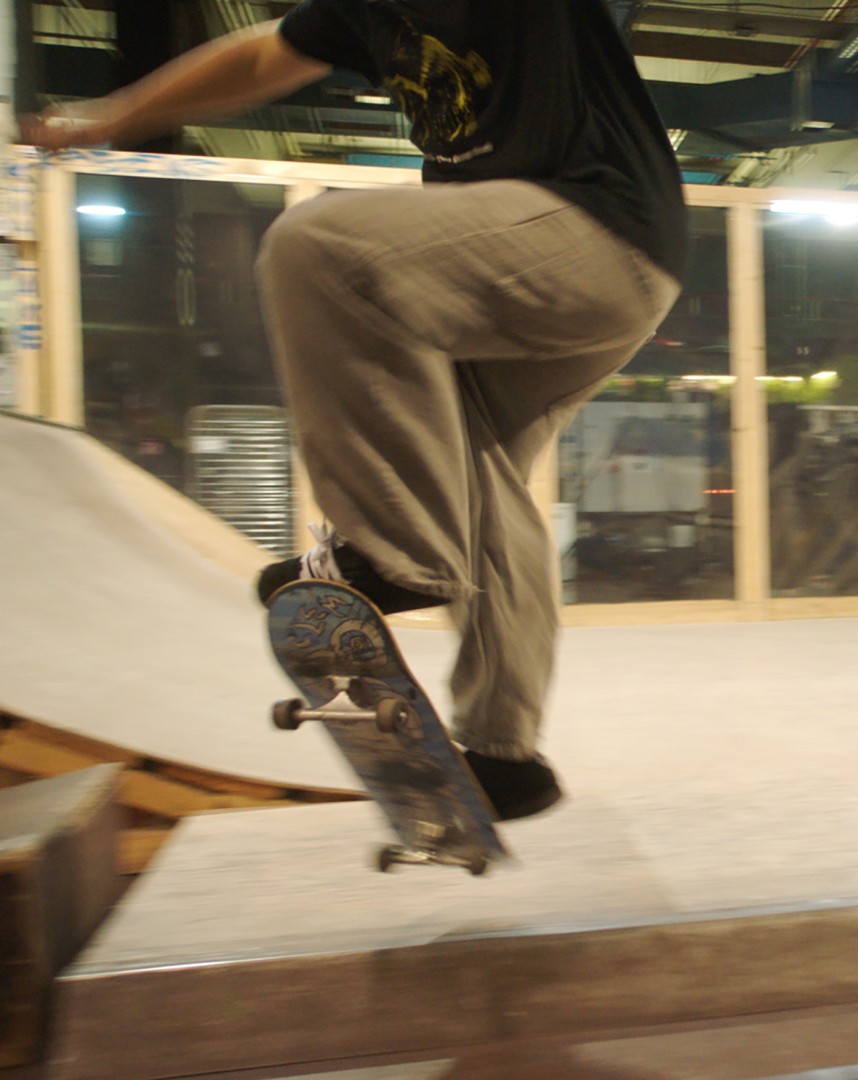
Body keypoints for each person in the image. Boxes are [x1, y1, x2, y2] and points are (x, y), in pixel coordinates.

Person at [23, 0, 688, 822]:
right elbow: (263, 58)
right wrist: (110, 116)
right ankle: (503, 753)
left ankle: (394, 555)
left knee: (321, 247)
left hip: (588, 230)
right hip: (592, 273)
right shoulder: (365, 10)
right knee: (474, 473)